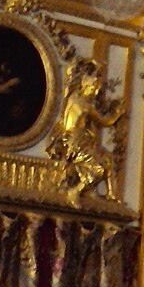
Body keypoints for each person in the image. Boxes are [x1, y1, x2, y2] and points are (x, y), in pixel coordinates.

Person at [47, 57, 123, 201]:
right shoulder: (86, 106)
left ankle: (110, 194)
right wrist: (118, 114)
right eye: (94, 87)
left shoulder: (72, 97)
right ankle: (77, 190)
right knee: (98, 167)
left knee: (108, 161)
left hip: (74, 139)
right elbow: (106, 121)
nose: (95, 91)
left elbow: (71, 81)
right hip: (78, 140)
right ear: (85, 84)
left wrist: (93, 67)